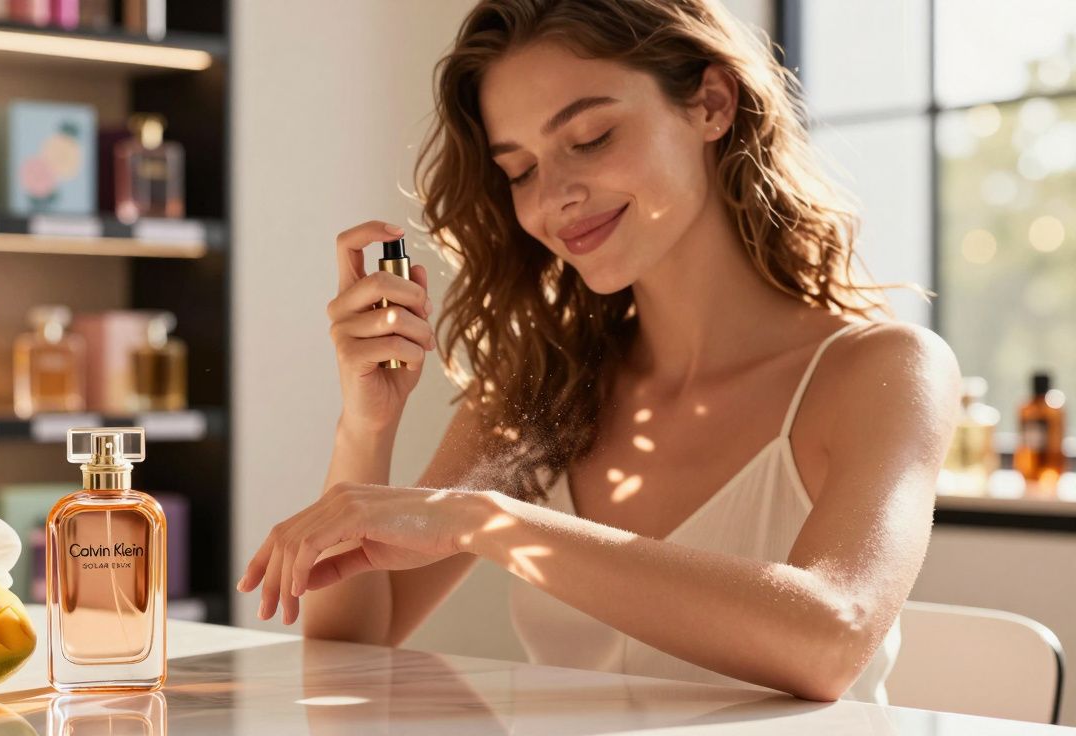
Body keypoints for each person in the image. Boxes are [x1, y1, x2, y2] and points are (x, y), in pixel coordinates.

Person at [237, 0, 960, 703]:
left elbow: (831, 636)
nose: (553, 197)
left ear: (711, 103)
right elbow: (355, 649)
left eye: (589, 138)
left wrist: (483, 520)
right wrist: (367, 427)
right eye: (519, 170)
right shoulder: (543, 389)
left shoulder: (885, 371)